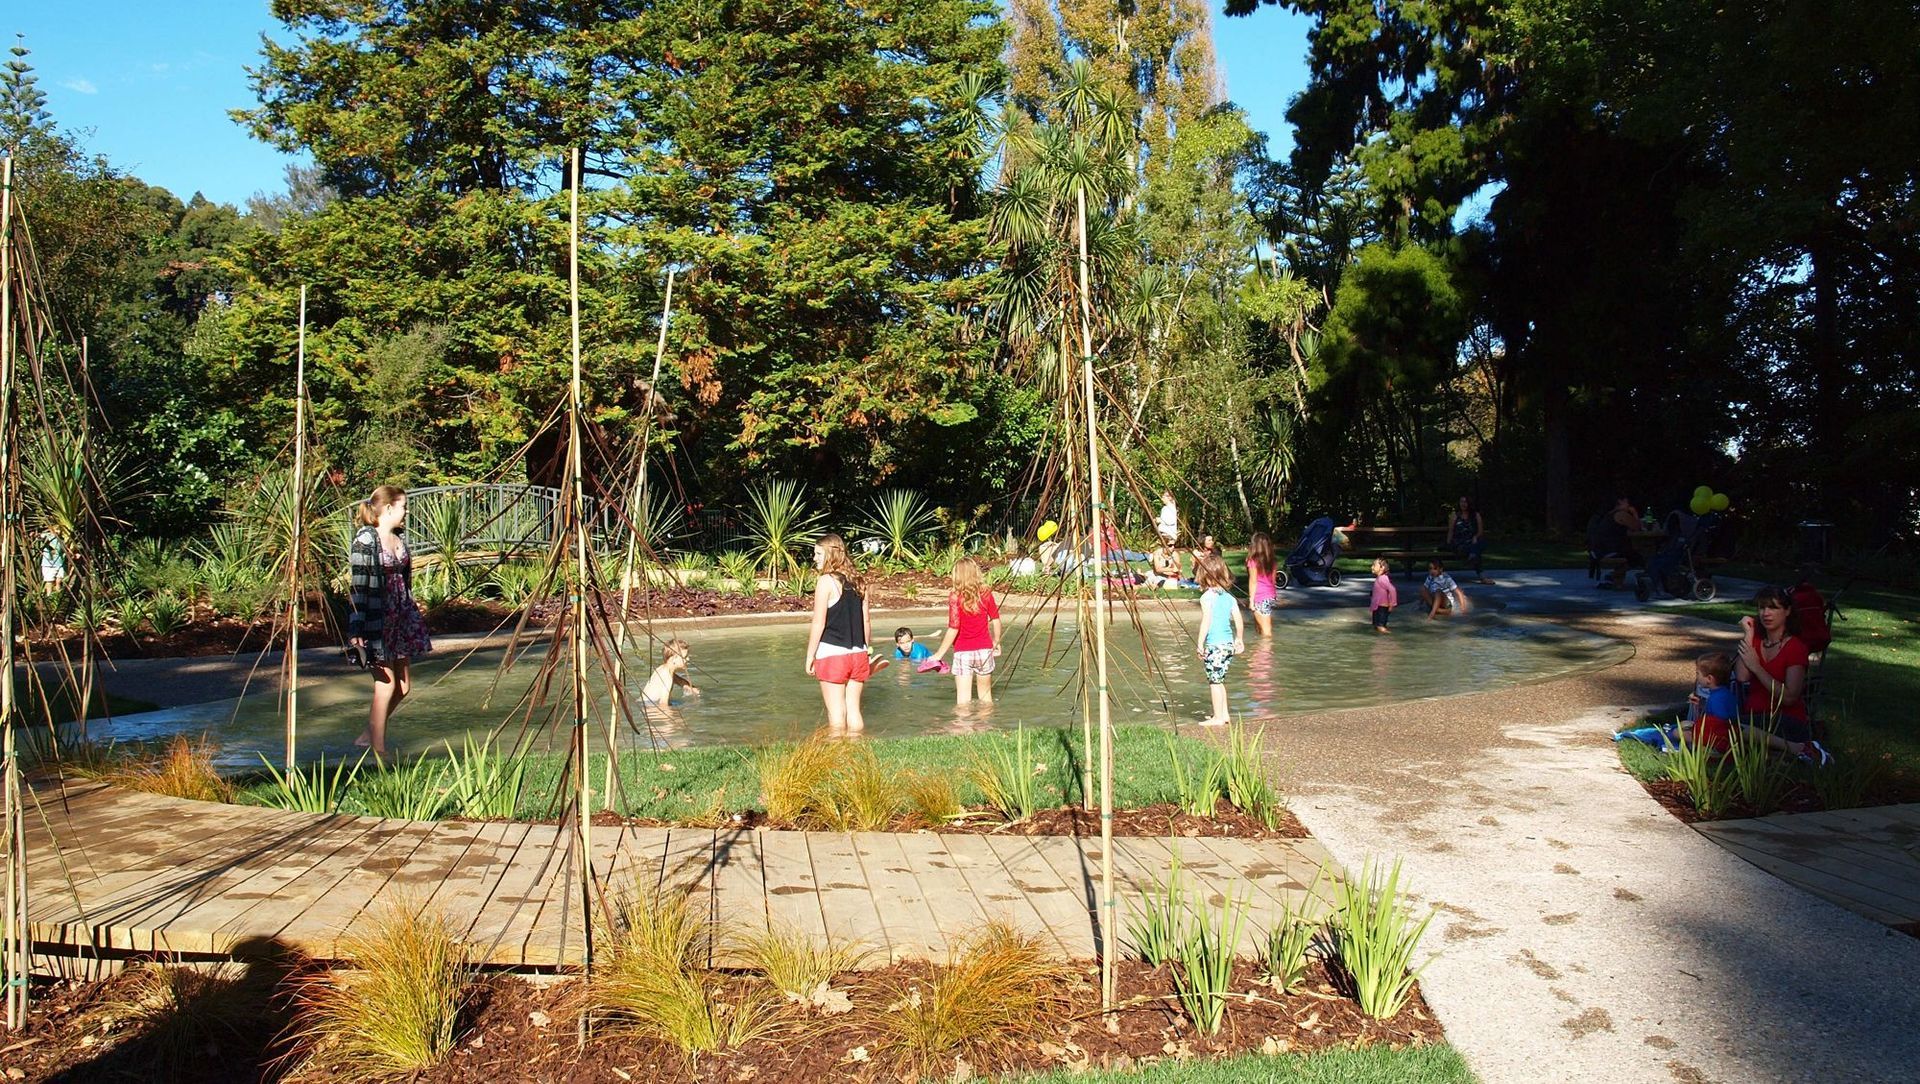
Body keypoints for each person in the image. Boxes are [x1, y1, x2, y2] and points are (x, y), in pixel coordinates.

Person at [348, 485, 432, 756]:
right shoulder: (365, 541)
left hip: (401, 617)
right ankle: (379, 752)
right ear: (388, 509)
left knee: (403, 687)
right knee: (386, 685)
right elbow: (358, 588)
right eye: (403, 507)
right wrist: (356, 629)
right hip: (377, 621)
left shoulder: (398, 539)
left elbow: (404, 580)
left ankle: (367, 735)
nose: (406, 512)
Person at [1735, 586, 1830, 764]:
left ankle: (1800, 748)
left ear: (1787, 611)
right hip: (1755, 718)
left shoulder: (1795, 647)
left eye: (1773, 608)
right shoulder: (1756, 641)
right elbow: (1741, 676)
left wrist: (1757, 667)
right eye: (1762, 608)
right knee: (1718, 727)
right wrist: (1748, 634)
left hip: (1785, 720)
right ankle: (1776, 754)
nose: (1766, 613)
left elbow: (1789, 698)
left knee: (1730, 730)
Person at [804, 533, 872, 733]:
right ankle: (857, 751)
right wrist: (866, 650)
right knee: (853, 711)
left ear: (830, 554)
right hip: (858, 653)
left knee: (836, 714)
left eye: (818, 554)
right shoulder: (860, 582)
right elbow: (866, 620)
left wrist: (810, 655)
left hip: (832, 654)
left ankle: (837, 756)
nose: (814, 558)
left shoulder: (826, 581)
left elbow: (818, 623)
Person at [931, 557, 1003, 705]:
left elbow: (953, 627)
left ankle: (964, 727)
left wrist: (938, 655)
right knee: (986, 698)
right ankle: (987, 727)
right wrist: (996, 641)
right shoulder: (986, 593)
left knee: (963, 701)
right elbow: (996, 619)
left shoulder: (955, 597)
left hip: (963, 652)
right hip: (985, 651)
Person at [1193, 551, 1244, 727]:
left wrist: (1200, 643)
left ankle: (1217, 717)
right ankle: (1225, 714)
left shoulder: (1206, 598)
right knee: (1220, 679)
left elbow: (1206, 620)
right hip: (1228, 645)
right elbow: (1238, 619)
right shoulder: (1229, 597)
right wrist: (1239, 639)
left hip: (1215, 645)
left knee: (1214, 681)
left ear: (1204, 576)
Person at [1684, 650, 1739, 751]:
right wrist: (1700, 705)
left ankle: (1698, 748)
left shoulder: (1715, 699)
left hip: (1717, 739)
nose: (1697, 677)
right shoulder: (1725, 694)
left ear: (1709, 678)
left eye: (1698, 674)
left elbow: (1719, 724)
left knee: (1678, 731)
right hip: (1728, 734)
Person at [640, 638, 700, 706]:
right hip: (650, 706)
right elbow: (663, 704)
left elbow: (678, 680)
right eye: (685, 657)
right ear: (674, 658)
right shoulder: (667, 678)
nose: (688, 659)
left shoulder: (663, 669)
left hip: (645, 703)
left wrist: (690, 688)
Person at [1446, 497, 1489, 584]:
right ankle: (1482, 577)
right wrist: (1448, 543)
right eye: (1461, 502)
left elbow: (1480, 531)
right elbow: (1451, 531)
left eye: (1465, 502)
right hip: (1460, 542)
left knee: (1480, 543)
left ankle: (1472, 557)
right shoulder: (1455, 516)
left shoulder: (1476, 515)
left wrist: (1475, 537)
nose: (1463, 504)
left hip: (1472, 541)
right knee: (1476, 551)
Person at [1245, 532, 1280, 636]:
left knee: (1266, 631)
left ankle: (1266, 650)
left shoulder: (1253, 561)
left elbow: (1253, 581)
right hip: (1270, 595)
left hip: (1260, 596)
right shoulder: (1273, 560)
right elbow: (1273, 581)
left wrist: (1251, 600)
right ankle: (1259, 650)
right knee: (1259, 627)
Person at [1369, 558, 1398, 634]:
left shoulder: (1382, 579)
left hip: (1381, 607)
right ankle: (1381, 637)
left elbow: (1392, 590)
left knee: (1380, 626)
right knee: (1376, 625)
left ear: (1382, 568)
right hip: (1377, 607)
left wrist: (1392, 604)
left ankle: (1387, 637)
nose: (1372, 567)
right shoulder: (1380, 578)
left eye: (1374, 565)